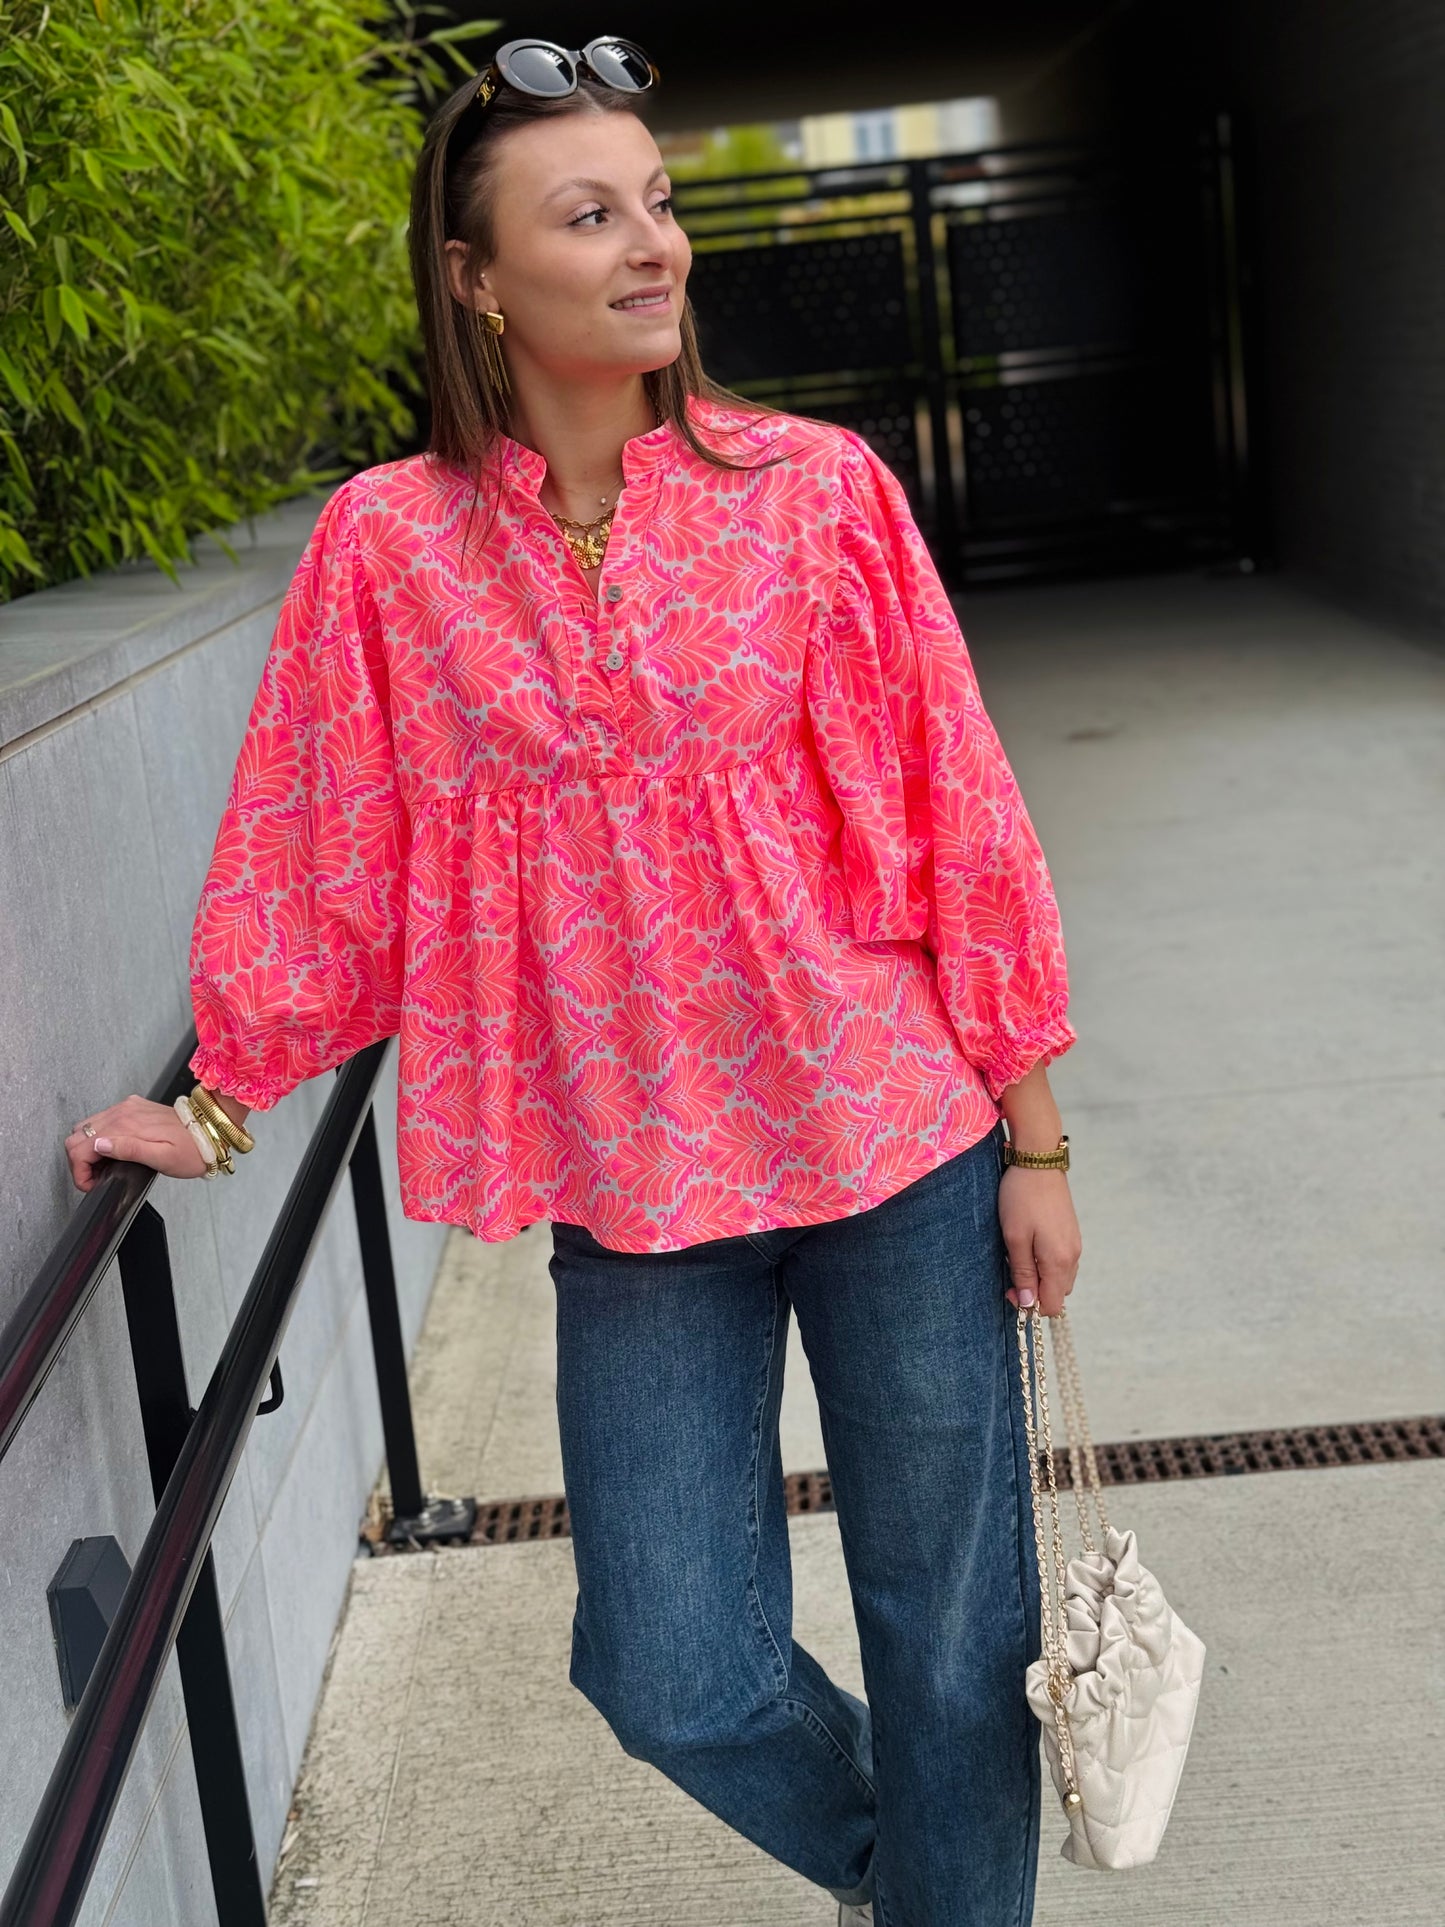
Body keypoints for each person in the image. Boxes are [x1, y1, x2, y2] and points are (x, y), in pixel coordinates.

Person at [63, 37, 1082, 1927]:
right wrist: (221, 1096)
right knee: (671, 1671)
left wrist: (1033, 1137)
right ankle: (928, 1885)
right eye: (589, 215)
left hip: (892, 1144)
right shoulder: (390, 544)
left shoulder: (815, 491)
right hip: (636, 1186)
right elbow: (321, 833)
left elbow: (955, 797)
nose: (652, 246)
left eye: (658, 204)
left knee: (951, 1645)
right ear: (473, 276)